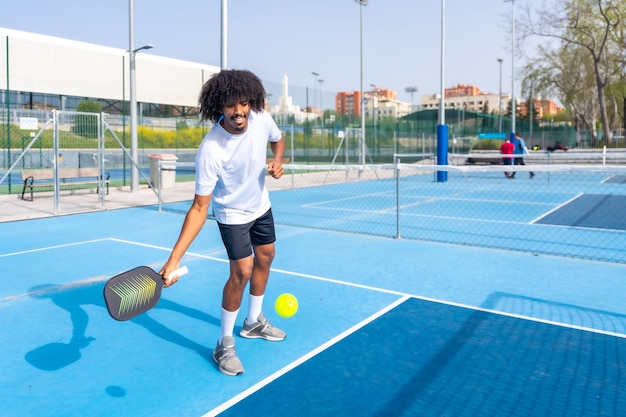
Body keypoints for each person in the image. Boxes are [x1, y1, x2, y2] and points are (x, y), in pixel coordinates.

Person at [159, 69, 286, 376]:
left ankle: (253, 321)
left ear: (251, 102)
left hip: (260, 205)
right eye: (231, 105)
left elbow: (278, 140)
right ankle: (223, 343)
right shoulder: (211, 150)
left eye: (243, 103)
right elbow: (199, 208)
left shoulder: (261, 119)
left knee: (266, 256)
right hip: (232, 214)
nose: (239, 111)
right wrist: (173, 260)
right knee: (241, 271)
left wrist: (278, 161)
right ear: (218, 106)